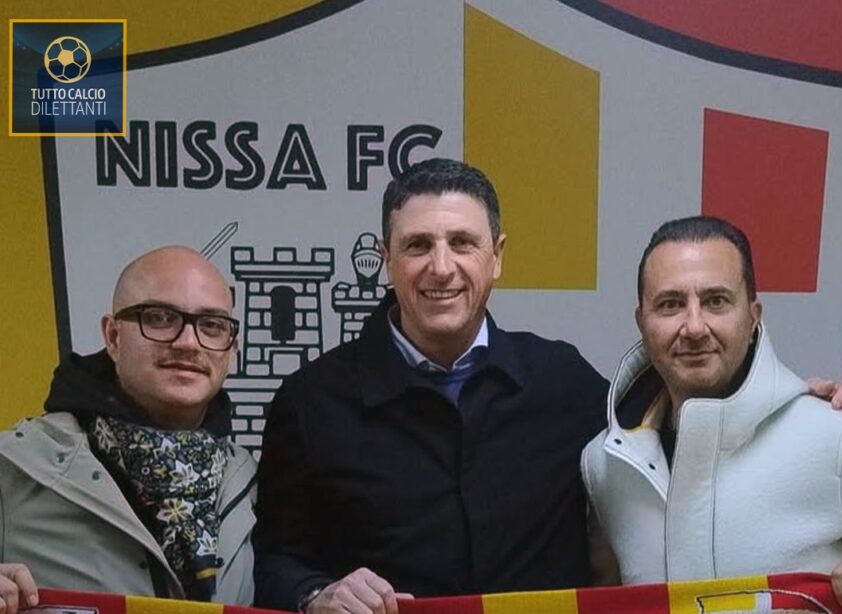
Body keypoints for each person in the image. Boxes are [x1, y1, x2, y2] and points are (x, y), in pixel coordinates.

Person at [253, 158, 609, 612]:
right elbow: (274, 561)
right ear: (386, 258)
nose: (441, 268)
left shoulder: (565, 382)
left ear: (497, 256)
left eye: (462, 243)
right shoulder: (310, 401)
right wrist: (314, 594)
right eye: (418, 245)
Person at [581, 216, 842, 607]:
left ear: (753, 315)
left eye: (716, 301)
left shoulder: (839, 436)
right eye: (670, 304)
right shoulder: (605, 464)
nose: (694, 327)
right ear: (642, 322)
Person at [0, 246, 256, 612]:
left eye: (212, 325)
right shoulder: (15, 466)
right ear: (113, 337)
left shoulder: (252, 481)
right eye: (159, 318)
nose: (187, 342)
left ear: (231, 348)